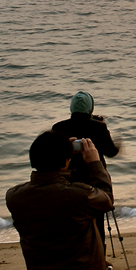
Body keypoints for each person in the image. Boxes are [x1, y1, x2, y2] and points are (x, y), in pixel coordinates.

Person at [5, 131, 114, 270]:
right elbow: (106, 198)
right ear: (65, 161)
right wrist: (95, 163)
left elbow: (54, 192)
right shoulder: (80, 196)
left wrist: (63, 157)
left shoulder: (14, 197)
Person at [52, 90, 121, 252]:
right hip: (94, 177)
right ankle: (99, 255)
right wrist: (106, 129)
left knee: (70, 219)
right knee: (97, 220)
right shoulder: (98, 127)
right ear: (91, 108)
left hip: (68, 179)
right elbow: (111, 151)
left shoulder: (59, 127)